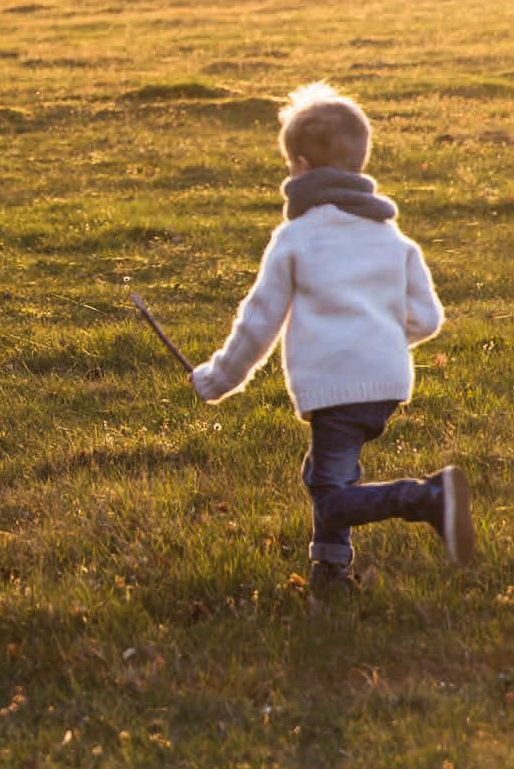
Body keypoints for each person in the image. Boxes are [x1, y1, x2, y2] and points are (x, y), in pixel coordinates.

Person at [190, 82, 471, 594]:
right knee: (322, 475)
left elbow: (259, 321)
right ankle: (331, 572)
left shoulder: (297, 238)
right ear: (360, 164)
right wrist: (380, 339)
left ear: (298, 167)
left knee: (330, 495)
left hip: (336, 387)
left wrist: (218, 379)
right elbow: (427, 319)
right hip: (385, 385)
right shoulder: (393, 239)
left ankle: (428, 498)